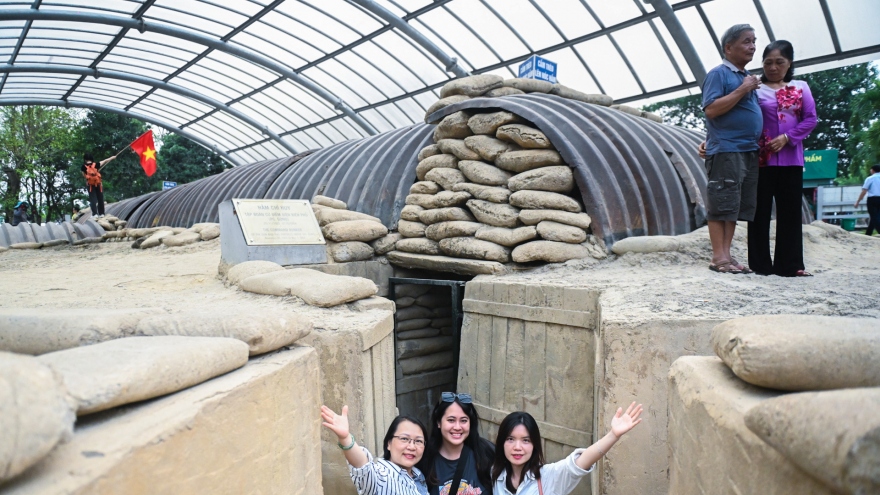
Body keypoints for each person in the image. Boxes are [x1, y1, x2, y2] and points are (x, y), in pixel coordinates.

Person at [748, 40, 818, 277]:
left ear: (789, 63)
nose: (773, 67)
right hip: (761, 160)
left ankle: (791, 266)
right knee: (759, 212)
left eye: (779, 62)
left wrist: (787, 138)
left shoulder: (801, 87)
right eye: (768, 62)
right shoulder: (754, 88)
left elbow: (810, 119)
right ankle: (759, 266)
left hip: (791, 159)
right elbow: (742, 118)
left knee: (789, 213)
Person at [701, 24, 763, 274]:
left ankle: (727, 255)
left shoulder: (743, 76)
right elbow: (712, 110)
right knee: (721, 203)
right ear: (728, 47)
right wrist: (743, 89)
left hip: (746, 151)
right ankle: (718, 257)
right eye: (746, 41)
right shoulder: (720, 74)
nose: (753, 47)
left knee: (733, 206)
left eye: (754, 41)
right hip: (727, 150)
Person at [491, 402, 642, 495]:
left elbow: (579, 463)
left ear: (534, 445)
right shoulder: (494, 476)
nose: (517, 447)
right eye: (510, 439)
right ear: (501, 443)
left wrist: (613, 435)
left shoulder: (548, 477)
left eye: (525, 440)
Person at [322, 404, 429, 495]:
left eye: (418, 441)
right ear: (389, 443)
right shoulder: (381, 476)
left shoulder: (417, 474)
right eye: (404, 439)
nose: (411, 447)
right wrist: (346, 439)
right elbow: (363, 467)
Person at [419, 392, 494, 495]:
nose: (457, 427)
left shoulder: (487, 453)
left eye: (463, 420)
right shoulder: (424, 458)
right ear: (438, 422)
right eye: (451, 420)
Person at [81, 153, 117, 218]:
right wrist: (112, 157)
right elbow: (105, 160)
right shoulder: (96, 164)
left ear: (85, 159)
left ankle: (94, 214)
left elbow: (84, 175)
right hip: (98, 184)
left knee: (93, 200)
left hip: (90, 185)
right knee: (100, 199)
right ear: (92, 159)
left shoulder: (83, 167)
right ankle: (102, 213)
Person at [855, 164, 880, 236]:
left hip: (873, 199)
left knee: (874, 216)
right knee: (876, 216)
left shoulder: (870, 178)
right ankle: (868, 233)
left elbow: (864, 191)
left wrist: (858, 201)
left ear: (873, 170)